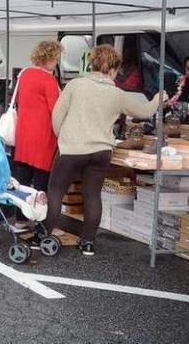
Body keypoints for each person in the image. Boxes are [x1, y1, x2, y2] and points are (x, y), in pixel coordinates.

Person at [45, 45, 168, 255]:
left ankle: (44, 235)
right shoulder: (117, 94)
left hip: (72, 147)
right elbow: (144, 111)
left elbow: (57, 115)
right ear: (112, 69)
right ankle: (88, 243)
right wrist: (158, 99)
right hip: (101, 151)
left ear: (92, 64)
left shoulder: (75, 85)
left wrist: (63, 137)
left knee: (56, 191)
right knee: (92, 195)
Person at [13, 41, 63, 193]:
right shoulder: (49, 80)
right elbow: (55, 109)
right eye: (55, 59)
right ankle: (39, 213)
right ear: (48, 59)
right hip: (43, 133)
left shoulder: (24, 74)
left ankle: (21, 213)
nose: (56, 62)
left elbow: (17, 100)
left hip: (24, 130)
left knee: (23, 176)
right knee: (41, 177)